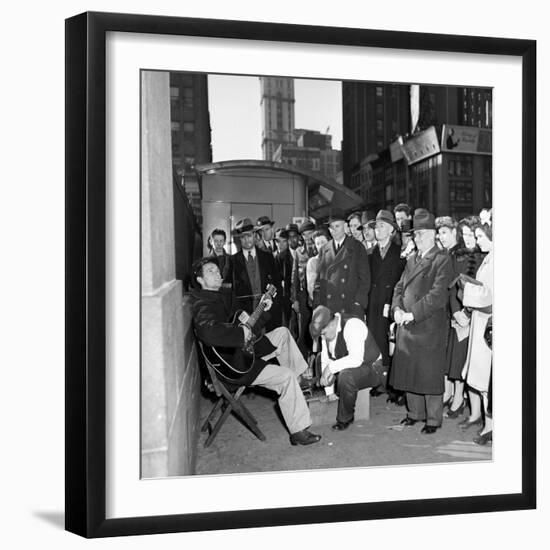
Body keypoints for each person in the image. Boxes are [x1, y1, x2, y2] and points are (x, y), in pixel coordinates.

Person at [190, 257, 321, 446]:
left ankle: (300, 382)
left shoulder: (218, 297)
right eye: (211, 271)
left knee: (283, 333)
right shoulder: (203, 304)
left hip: (240, 352)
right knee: (285, 377)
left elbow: (246, 328)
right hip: (236, 367)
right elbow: (209, 332)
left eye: (217, 270)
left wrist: (263, 310)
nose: (217, 273)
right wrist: (239, 333)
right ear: (200, 279)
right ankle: (299, 430)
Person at [390, 208, 454, 434]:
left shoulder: (442, 259)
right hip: (407, 323)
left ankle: (433, 419)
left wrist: (411, 313)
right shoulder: (412, 259)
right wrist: (397, 308)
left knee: (428, 373)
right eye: (414, 234)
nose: (416, 238)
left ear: (432, 234)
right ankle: (414, 413)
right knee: (410, 371)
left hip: (427, 325)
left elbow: (437, 296)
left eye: (420, 234)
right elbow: (399, 286)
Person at [437, 215, 485, 419]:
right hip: (458, 314)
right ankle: (455, 397)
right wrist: (457, 311)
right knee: (455, 359)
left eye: (470, 234)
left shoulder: (479, 256)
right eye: (464, 234)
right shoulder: (457, 255)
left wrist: (464, 312)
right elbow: (453, 286)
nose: (468, 238)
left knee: (467, 362)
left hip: (475, 314)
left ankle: (463, 402)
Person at [310, 305, 386, 430]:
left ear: (332, 325)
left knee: (346, 376)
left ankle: (345, 418)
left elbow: (356, 359)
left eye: (323, 334)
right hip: (351, 368)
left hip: (371, 367)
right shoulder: (327, 333)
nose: (322, 338)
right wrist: (329, 392)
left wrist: (330, 369)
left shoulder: (352, 325)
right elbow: (326, 359)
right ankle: (342, 393)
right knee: (323, 362)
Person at [459, 220, 494, 445]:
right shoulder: (489, 258)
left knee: (488, 377)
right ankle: (486, 423)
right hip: (480, 320)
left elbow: (490, 295)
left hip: (488, 323)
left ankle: (490, 427)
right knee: (482, 376)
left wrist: (467, 290)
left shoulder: (496, 260)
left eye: (481, 236)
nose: (478, 240)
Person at [366, 210, 406, 397]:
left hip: (391, 304)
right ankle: (379, 382)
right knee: (376, 343)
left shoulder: (400, 253)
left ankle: (395, 385)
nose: (377, 229)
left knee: (392, 344)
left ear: (391, 230)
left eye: (381, 226)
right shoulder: (369, 254)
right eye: (376, 226)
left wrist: (394, 304)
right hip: (374, 303)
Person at [313, 209, 371, 318]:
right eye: (331, 227)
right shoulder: (324, 250)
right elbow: (319, 281)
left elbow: (364, 279)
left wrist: (358, 303)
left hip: (350, 307)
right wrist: (318, 305)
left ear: (345, 226)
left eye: (337, 226)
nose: (334, 230)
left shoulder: (357, 247)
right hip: (329, 308)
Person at [230, 218, 283, 332]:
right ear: (239, 239)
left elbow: (277, 283)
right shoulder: (232, 261)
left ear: (254, 235)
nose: (246, 240)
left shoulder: (268, 257)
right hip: (245, 317)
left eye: (248, 236)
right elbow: (230, 291)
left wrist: (271, 295)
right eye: (243, 237)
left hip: (268, 314)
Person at [273, 228, 293, 328]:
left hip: (290, 295)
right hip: (279, 297)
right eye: (278, 241)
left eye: (284, 241)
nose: (281, 244)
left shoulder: (291, 255)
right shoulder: (274, 257)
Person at [306, 228, 330, 304]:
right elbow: (311, 287)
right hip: (320, 301)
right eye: (318, 244)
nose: (321, 246)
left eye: (323, 242)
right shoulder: (313, 262)